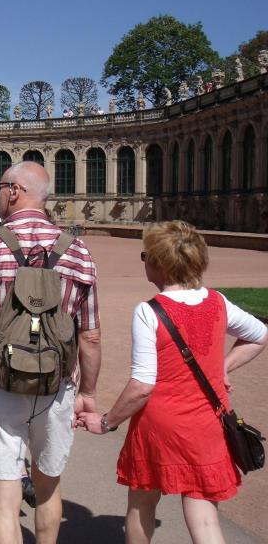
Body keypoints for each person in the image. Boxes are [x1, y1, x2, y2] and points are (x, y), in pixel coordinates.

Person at [78, 221, 268, 544]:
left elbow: (142, 386)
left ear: (160, 265)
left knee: (142, 503)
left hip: (159, 426)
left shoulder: (149, 312)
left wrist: (106, 422)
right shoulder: (217, 302)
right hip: (207, 422)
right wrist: (222, 368)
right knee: (205, 519)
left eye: (146, 256)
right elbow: (259, 335)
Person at [0, 161, 101, 544]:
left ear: (14, 191)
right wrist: (87, 392)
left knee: (4, 502)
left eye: (0, 186)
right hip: (56, 386)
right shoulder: (78, 250)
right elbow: (91, 337)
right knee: (47, 489)